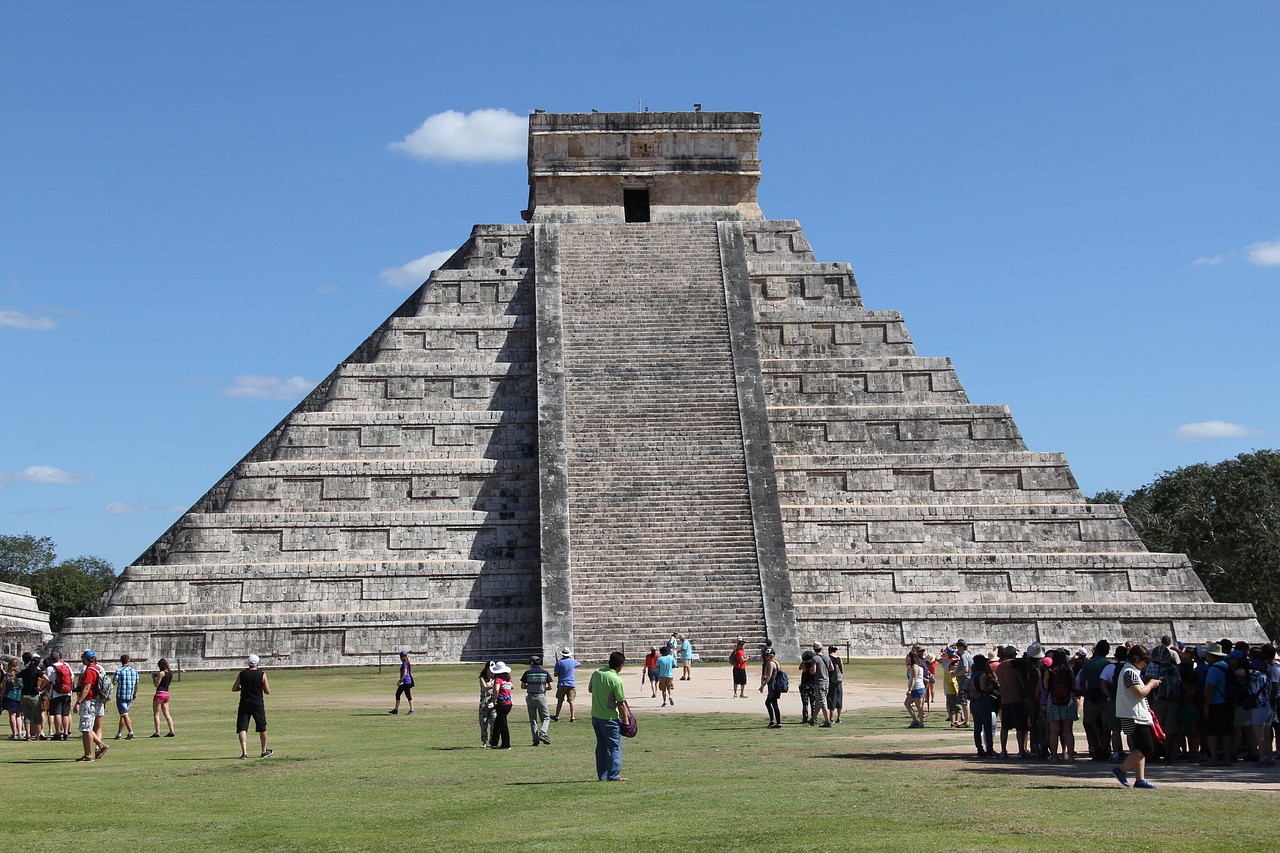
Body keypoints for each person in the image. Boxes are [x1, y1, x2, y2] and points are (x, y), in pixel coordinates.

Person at [1112, 645, 1160, 788]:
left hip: (1133, 714)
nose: (1145, 665)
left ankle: (1140, 779)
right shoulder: (1129, 672)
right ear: (1137, 659)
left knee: (1139, 748)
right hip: (1133, 715)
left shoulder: (1129, 671)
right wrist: (1151, 684)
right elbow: (1139, 692)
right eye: (1144, 662)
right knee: (1146, 748)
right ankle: (1121, 770)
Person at [588, 651, 630, 782]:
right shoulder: (617, 680)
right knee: (614, 746)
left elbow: (590, 689)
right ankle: (613, 774)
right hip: (610, 718)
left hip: (596, 715)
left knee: (601, 746)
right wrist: (626, 720)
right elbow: (621, 703)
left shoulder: (597, 673)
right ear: (621, 665)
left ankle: (603, 775)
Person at [232, 654, 272, 759]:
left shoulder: (242, 674)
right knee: (262, 727)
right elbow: (267, 691)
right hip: (257, 703)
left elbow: (234, 688)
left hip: (244, 703)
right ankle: (264, 751)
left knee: (242, 727)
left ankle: (244, 753)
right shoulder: (262, 674)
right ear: (257, 663)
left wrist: (242, 688)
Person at [1042, 648, 1079, 760]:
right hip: (1068, 700)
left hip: (1053, 700)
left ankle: (1054, 756)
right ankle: (1071, 755)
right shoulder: (1069, 670)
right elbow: (1073, 686)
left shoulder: (1049, 671)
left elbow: (1045, 686)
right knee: (1068, 731)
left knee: (1054, 730)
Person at [73, 649, 108, 762]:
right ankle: (98, 746)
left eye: (83, 657)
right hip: (98, 701)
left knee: (86, 728)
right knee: (88, 727)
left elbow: (87, 688)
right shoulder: (98, 668)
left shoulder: (89, 671)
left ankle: (89, 754)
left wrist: (78, 701)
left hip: (89, 701)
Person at [996, 645, 1029, 758]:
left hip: (1005, 700)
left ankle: (1003, 750)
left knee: (1005, 727)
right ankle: (1021, 750)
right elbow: (1021, 683)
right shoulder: (1014, 667)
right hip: (1017, 699)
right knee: (1021, 727)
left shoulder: (1000, 667)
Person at [969, 654, 999, 758]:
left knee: (977, 727)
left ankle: (979, 748)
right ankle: (989, 749)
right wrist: (990, 687)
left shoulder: (973, 674)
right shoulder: (982, 674)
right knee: (987, 726)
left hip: (974, 702)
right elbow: (983, 688)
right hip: (982, 700)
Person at [521, 655, 552, 746]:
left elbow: (523, 686)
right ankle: (543, 732)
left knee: (533, 719)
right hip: (541, 696)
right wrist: (543, 688)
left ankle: (535, 740)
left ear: (531, 663)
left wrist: (530, 686)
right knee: (546, 717)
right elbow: (550, 687)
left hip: (530, 696)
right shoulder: (545, 673)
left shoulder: (527, 673)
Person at [45, 651, 75, 742]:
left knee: (57, 713)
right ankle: (66, 732)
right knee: (65, 714)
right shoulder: (66, 665)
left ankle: (58, 732)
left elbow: (48, 681)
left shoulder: (50, 668)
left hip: (56, 693)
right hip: (67, 692)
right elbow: (72, 678)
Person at [17, 653, 45, 741]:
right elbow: (46, 679)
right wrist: (40, 688)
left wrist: (18, 686)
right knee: (37, 717)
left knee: (27, 716)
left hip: (24, 694)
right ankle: (38, 735)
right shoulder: (37, 671)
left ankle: (28, 735)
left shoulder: (25, 671)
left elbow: (13, 678)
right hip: (34, 694)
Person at [113, 654, 139, 739]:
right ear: (129, 661)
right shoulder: (134, 671)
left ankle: (130, 731)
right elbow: (137, 682)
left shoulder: (120, 671)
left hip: (121, 695)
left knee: (124, 714)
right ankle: (119, 733)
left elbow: (114, 682)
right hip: (130, 695)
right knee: (123, 715)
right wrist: (135, 693)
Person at [551, 647, 580, 723]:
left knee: (560, 701)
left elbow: (555, 674)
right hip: (571, 684)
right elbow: (579, 664)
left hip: (562, 684)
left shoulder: (559, 662)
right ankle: (572, 717)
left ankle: (557, 716)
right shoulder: (572, 661)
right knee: (571, 701)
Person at [489, 662, 513, 750]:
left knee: (503, 724)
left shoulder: (498, 680)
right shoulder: (509, 680)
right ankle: (494, 743)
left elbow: (496, 690)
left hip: (501, 703)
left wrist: (494, 700)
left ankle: (506, 744)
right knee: (498, 722)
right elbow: (512, 687)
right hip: (508, 703)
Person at [151, 658, 175, 737]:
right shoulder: (170, 673)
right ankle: (172, 731)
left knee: (156, 714)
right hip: (166, 694)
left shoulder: (161, 673)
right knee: (167, 714)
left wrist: (154, 678)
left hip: (159, 694)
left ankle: (157, 732)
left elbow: (156, 684)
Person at [759, 647, 782, 728]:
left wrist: (762, 686)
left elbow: (768, 676)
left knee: (769, 703)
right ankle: (776, 722)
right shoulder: (776, 662)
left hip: (773, 686)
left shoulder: (770, 663)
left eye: (766, 655)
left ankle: (774, 721)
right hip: (776, 686)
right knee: (773, 703)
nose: (765, 657)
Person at [3, 658, 24, 740]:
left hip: (9, 695)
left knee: (12, 715)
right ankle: (19, 733)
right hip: (19, 696)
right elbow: (21, 686)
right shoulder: (19, 675)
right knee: (18, 715)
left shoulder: (7, 676)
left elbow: (3, 688)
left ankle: (14, 734)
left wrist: (1, 698)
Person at [904, 651, 926, 728]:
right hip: (914, 688)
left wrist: (909, 689)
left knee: (919, 707)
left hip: (917, 688)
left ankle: (921, 723)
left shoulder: (915, 667)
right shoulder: (912, 667)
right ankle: (915, 720)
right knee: (907, 703)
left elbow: (914, 678)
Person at [478, 661, 497, 747]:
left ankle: (492, 740)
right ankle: (484, 741)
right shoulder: (482, 678)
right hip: (484, 703)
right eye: (490, 669)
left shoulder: (495, 678)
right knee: (483, 723)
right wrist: (495, 685)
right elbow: (485, 687)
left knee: (494, 722)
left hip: (493, 703)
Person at [389, 650, 414, 715]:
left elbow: (405, 673)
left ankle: (411, 710)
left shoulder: (404, 664)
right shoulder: (407, 663)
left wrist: (400, 681)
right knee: (397, 694)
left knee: (408, 695)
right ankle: (396, 710)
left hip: (406, 682)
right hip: (405, 682)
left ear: (402, 657)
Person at [828, 645, 845, 723]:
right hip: (839, 681)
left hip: (831, 680)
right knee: (839, 697)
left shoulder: (829, 658)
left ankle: (831, 717)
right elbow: (842, 670)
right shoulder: (839, 659)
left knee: (831, 698)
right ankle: (839, 717)